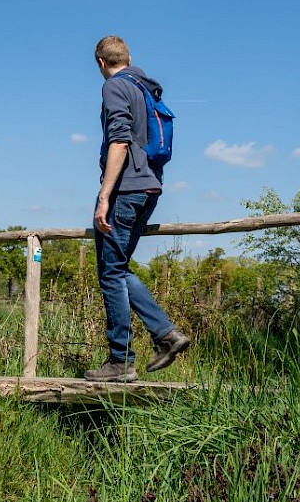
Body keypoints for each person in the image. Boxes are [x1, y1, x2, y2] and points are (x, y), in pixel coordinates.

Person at [84, 35, 189, 382]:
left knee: (110, 273)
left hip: (126, 189)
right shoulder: (146, 87)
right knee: (119, 268)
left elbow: (119, 139)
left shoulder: (115, 87)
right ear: (128, 57)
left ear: (101, 62)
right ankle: (166, 336)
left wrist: (104, 194)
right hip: (150, 187)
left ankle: (121, 360)